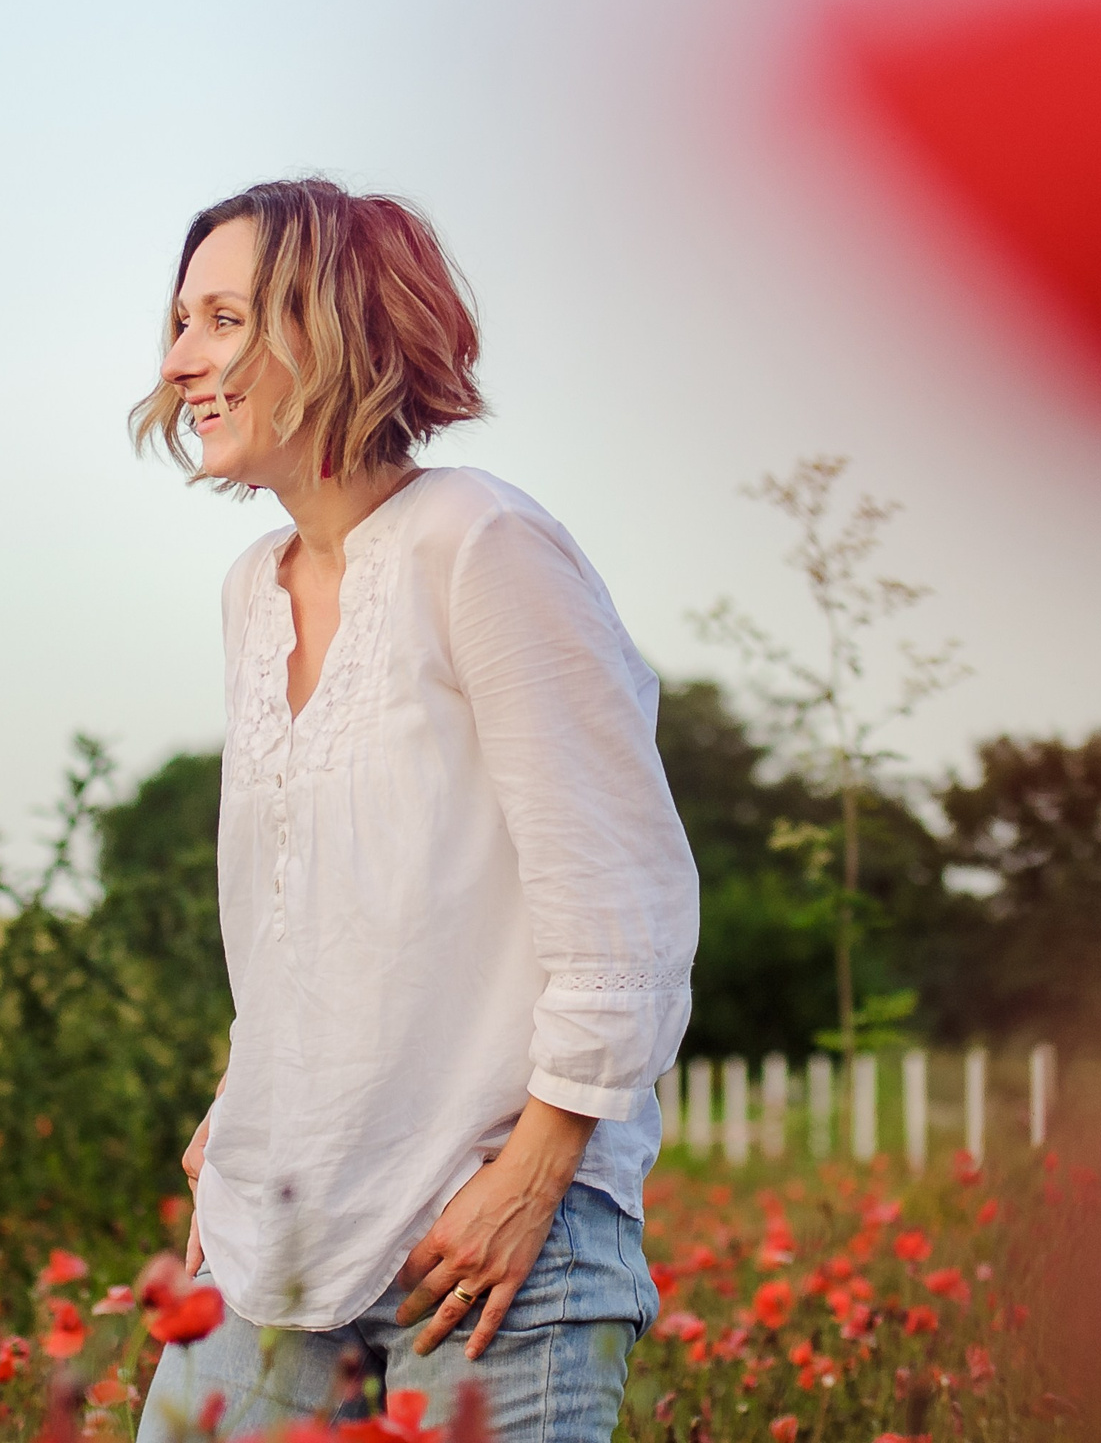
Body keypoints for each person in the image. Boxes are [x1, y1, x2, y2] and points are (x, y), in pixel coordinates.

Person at [130, 178, 697, 1442]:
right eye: (178, 322)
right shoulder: (251, 589)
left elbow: (620, 893)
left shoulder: (479, 543)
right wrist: (248, 1095)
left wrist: (536, 1172)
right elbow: (307, 904)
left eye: (223, 319)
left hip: (494, 1230)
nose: (179, 362)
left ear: (333, 327)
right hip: (285, 1210)